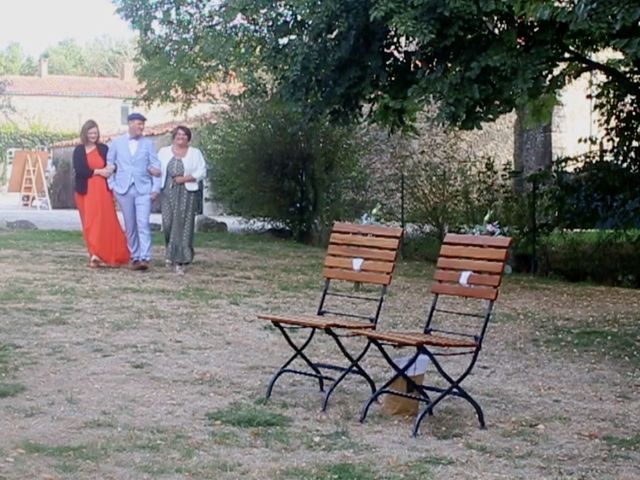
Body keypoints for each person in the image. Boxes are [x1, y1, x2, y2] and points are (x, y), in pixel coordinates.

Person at [107, 113, 161, 271]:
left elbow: (156, 166)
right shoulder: (117, 143)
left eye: (143, 125)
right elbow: (109, 164)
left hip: (143, 189)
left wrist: (155, 189)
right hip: (123, 189)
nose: (141, 127)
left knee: (143, 223)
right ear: (130, 124)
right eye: (139, 124)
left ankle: (145, 257)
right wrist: (113, 186)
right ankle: (135, 256)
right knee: (130, 225)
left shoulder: (148, 144)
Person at [73, 120, 130, 268]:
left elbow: (114, 163)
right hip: (86, 190)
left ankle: (112, 252)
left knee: (106, 220)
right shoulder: (79, 150)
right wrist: (98, 171)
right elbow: (80, 170)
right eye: (90, 133)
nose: (93, 135)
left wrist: (110, 169)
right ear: (85, 133)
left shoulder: (104, 148)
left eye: (95, 133)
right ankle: (94, 254)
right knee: (90, 222)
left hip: (102, 190)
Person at [158, 125, 207, 274]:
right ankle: (170, 252)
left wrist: (185, 179)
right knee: (168, 223)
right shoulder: (163, 152)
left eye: (184, 135)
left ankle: (181, 258)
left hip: (187, 191)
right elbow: (156, 168)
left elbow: (202, 171)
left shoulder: (195, 153)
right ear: (174, 137)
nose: (181, 137)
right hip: (167, 190)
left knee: (183, 224)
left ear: (188, 138)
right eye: (179, 135)